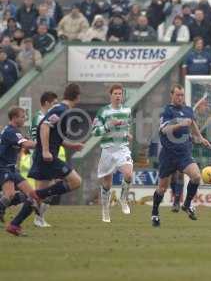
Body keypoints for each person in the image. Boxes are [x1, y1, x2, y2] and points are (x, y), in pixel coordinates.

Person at [6, 84, 85, 236]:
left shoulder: (62, 110)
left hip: (45, 157)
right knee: (76, 181)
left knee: (39, 198)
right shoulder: (62, 110)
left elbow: (56, 136)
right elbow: (45, 127)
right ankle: (36, 194)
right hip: (47, 158)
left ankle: (14, 224)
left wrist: (72, 145)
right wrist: (46, 151)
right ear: (77, 97)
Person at [151, 84, 211, 227]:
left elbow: (192, 123)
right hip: (168, 155)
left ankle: (187, 204)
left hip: (184, 153)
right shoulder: (167, 111)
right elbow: (164, 130)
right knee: (161, 188)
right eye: (177, 95)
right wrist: (179, 125)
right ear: (172, 95)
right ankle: (155, 213)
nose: (180, 98)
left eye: (182, 95)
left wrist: (200, 137)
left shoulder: (188, 110)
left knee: (196, 177)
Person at [92, 84, 134, 223]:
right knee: (107, 184)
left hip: (122, 148)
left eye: (120, 93)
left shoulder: (127, 110)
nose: (118, 96)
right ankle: (105, 210)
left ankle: (123, 199)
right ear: (110, 95)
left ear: (122, 95)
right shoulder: (103, 111)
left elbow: (125, 127)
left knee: (128, 173)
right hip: (108, 149)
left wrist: (127, 133)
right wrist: (108, 125)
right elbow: (94, 131)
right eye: (115, 93)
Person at [0, 107, 39, 225]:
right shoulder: (11, 131)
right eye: (22, 117)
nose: (25, 119)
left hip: (11, 168)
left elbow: (25, 142)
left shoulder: (14, 131)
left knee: (25, 194)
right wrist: (43, 144)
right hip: (3, 167)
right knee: (15, 194)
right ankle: (14, 224)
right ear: (15, 118)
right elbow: (26, 144)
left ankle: (6, 215)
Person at [29, 91, 58, 227]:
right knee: (42, 190)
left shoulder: (48, 117)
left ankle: (39, 218)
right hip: (40, 156)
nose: (56, 106)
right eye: (54, 103)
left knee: (50, 189)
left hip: (47, 156)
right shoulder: (39, 117)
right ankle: (37, 218)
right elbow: (34, 138)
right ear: (47, 103)